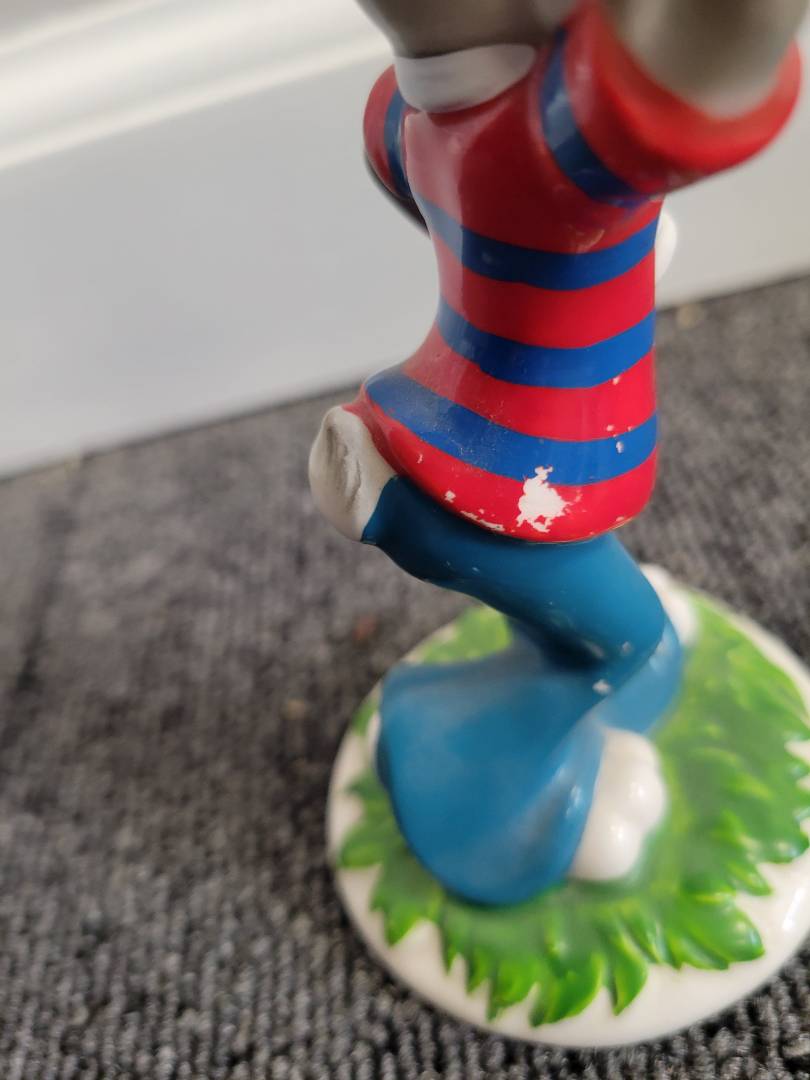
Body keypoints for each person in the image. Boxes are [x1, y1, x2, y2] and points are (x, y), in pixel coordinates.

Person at [310, 0, 806, 905]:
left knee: (602, 628)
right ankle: (481, 796)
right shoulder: (554, 137)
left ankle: (573, 671)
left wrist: (566, 269)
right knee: (620, 643)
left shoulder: (406, 108)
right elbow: (710, 52)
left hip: (451, 441)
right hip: (502, 487)